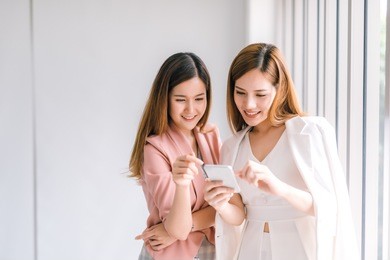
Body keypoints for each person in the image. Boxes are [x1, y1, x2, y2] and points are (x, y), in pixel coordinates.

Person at [203, 43, 360, 260]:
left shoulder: (308, 132)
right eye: (240, 92)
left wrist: (280, 188)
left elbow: (329, 207)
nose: (249, 104)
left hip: (298, 249)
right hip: (251, 250)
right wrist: (220, 203)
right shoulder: (232, 146)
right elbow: (239, 215)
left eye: (260, 94)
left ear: (280, 89)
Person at [129, 52, 221, 260]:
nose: (191, 109)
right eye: (180, 100)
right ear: (165, 99)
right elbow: (179, 229)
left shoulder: (210, 136)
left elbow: (229, 207)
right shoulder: (154, 149)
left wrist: (182, 226)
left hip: (212, 251)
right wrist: (181, 186)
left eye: (199, 99)